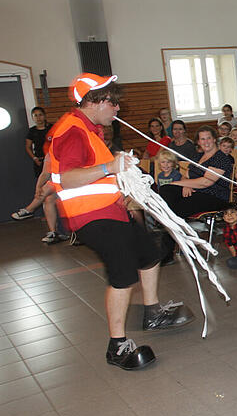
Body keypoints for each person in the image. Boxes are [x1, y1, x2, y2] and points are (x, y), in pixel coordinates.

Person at [49, 73, 193, 370]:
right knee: (123, 275)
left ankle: (152, 313)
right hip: (92, 216)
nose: (117, 110)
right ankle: (117, 347)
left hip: (110, 210)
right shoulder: (73, 130)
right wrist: (110, 166)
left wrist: (120, 183)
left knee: (150, 254)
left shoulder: (90, 129)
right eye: (113, 103)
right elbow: (68, 177)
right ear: (96, 102)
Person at [159, 125, 233, 263]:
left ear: (215, 139)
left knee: (174, 209)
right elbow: (185, 175)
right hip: (195, 192)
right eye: (202, 139)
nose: (205, 142)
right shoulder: (198, 156)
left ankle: (167, 249)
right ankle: (167, 223)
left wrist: (182, 183)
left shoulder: (221, 158)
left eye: (208, 138)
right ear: (198, 142)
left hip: (214, 196)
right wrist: (185, 182)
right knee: (165, 189)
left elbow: (206, 182)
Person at [25, 106, 52, 177]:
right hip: (39, 161)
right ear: (32, 117)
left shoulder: (52, 128)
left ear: (44, 115)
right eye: (35, 115)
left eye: (40, 115)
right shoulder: (32, 131)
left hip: (52, 160)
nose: (38, 118)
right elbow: (28, 147)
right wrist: (35, 158)